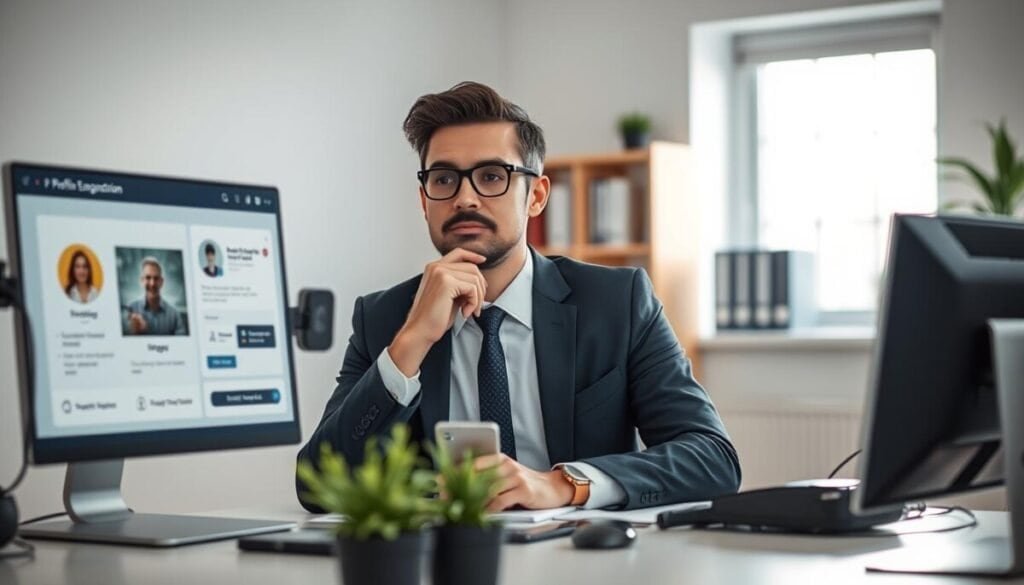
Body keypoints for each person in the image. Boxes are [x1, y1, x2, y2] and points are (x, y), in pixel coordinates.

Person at [297, 82, 740, 512]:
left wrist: (562, 485)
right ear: (423, 199)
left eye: (492, 176)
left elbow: (711, 457)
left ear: (537, 196)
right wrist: (411, 342)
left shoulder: (617, 302)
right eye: (444, 178)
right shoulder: (384, 317)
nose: (465, 198)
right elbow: (317, 484)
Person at [124, 257, 187, 336]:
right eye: (148, 278)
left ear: (161, 282)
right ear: (141, 281)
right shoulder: (131, 309)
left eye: (156, 278)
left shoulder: (174, 314)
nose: (152, 283)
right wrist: (135, 332)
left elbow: (182, 345)